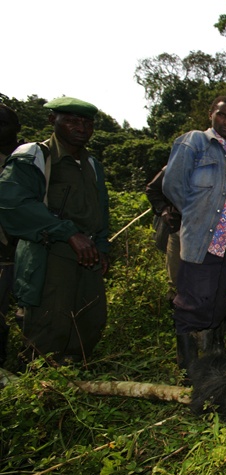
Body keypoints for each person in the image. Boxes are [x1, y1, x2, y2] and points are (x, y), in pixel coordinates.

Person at [0, 97, 110, 364]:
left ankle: (75, 377)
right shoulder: (33, 157)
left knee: (88, 323)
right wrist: (68, 233)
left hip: (88, 258)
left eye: (87, 123)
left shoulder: (92, 165)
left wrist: (102, 247)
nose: (81, 128)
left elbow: (100, 211)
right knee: (48, 326)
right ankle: (40, 381)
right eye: (71, 121)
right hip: (48, 254)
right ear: (53, 120)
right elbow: (13, 203)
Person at [162, 96, 226, 372]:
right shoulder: (195, 142)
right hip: (203, 241)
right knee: (193, 303)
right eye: (222, 115)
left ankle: (212, 360)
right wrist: (195, 216)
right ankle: (188, 368)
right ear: (211, 114)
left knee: (218, 303)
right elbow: (172, 184)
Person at [0, 104, 22, 360]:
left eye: (3, 124)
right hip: (3, 252)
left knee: (32, 312)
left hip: (33, 248)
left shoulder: (35, 157)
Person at [145, 166, 181, 296]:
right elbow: (152, 190)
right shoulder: (173, 167)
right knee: (175, 277)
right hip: (178, 229)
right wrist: (164, 209)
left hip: (204, 232)